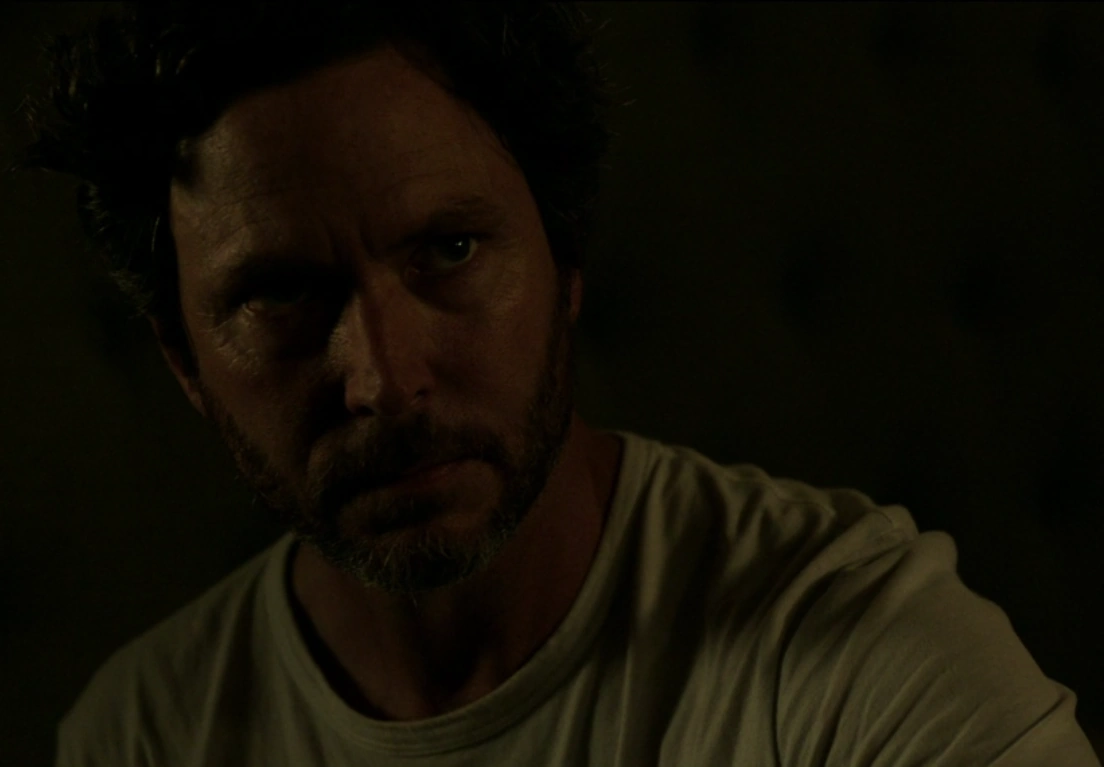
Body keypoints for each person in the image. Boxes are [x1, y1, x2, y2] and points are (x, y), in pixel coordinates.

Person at [16, 2, 1100, 765]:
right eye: (282, 297)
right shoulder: (142, 733)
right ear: (186, 362)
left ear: (566, 265)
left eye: (449, 250)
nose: (386, 378)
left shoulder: (852, 650)